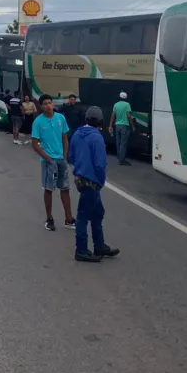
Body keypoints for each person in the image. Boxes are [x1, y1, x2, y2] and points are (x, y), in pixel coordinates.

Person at [68, 106, 120, 263]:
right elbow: (100, 163)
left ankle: (99, 245)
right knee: (83, 215)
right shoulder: (96, 137)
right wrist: (100, 180)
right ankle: (81, 250)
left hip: (80, 178)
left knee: (98, 212)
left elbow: (71, 157)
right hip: (92, 180)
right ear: (100, 120)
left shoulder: (77, 134)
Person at [31, 94, 75, 231]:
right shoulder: (38, 122)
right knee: (49, 189)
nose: (49, 105)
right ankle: (49, 218)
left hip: (61, 160)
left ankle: (69, 218)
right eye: (45, 103)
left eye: (50, 103)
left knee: (65, 188)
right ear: (41, 106)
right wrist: (48, 158)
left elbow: (65, 138)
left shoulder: (60, 118)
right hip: (48, 161)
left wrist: (65, 156)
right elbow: (35, 144)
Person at [109, 91, 135, 166]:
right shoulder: (127, 105)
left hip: (117, 125)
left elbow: (113, 116)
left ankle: (119, 157)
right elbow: (129, 116)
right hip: (125, 126)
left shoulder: (116, 104)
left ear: (119, 97)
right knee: (123, 144)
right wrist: (133, 126)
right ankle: (122, 160)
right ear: (126, 98)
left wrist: (110, 125)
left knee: (118, 142)